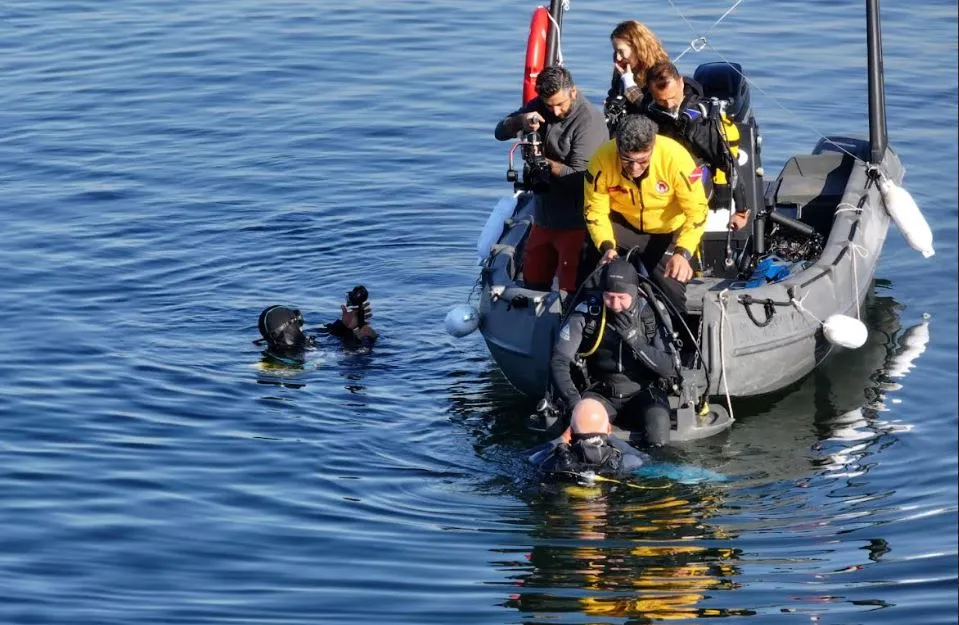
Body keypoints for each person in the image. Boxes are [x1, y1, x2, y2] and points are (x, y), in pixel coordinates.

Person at [494, 66, 608, 293]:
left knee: (570, 287)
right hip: (543, 217)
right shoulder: (538, 108)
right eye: (549, 105)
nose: (555, 112)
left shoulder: (589, 121)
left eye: (561, 104)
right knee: (534, 279)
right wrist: (520, 121)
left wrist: (542, 162)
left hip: (576, 222)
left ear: (573, 92)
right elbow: (499, 132)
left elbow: (580, 177)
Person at [583, 114, 708, 316]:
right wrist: (606, 246)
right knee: (591, 272)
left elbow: (697, 212)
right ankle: (587, 325)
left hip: (667, 231)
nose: (635, 168)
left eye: (642, 161)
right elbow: (595, 210)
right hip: (622, 226)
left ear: (653, 147)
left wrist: (682, 253)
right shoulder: (601, 159)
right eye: (627, 160)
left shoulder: (676, 158)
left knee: (672, 291)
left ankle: (678, 337)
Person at [549, 258, 678, 446]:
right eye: (609, 296)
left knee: (659, 428)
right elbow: (559, 361)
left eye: (622, 298)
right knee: (583, 434)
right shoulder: (588, 313)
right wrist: (575, 403)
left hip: (643, 392)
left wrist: (636, 341)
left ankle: (649, 473)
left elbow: (669, 368)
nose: (615, 305)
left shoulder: (650, 313)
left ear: (634, 294)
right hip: (601, 393)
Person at [641, 60, 749, 230]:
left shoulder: (699, 122)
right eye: (661, 101)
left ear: (681, 84)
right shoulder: (650, 109)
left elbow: (729, 165)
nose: (668, 105)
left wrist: (741, 211)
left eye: (672, 98)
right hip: (659, 179)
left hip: (694, 181)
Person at [528, 397, 649, 479]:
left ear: (571, 431)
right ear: (608, 428)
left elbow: (527, 457)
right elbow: (645, 458)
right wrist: (608, 435)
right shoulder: (628, 462)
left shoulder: (552, 462)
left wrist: (561, 439)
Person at [256, 298, 377, 361]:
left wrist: (345, 324)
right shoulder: (310, 355)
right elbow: (358, 356)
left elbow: (327, 332)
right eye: (298, 322)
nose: (301, 326)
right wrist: (368, 338)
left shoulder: (296, 343)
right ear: (290, 325)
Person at [604, 20, 670, 129]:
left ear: (637, 48)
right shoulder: (622, 69)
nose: (618, 57)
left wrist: (629, 84)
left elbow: (654, 113)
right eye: (615, 51)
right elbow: (613, 95)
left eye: (621, 51)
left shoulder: (660, 74)